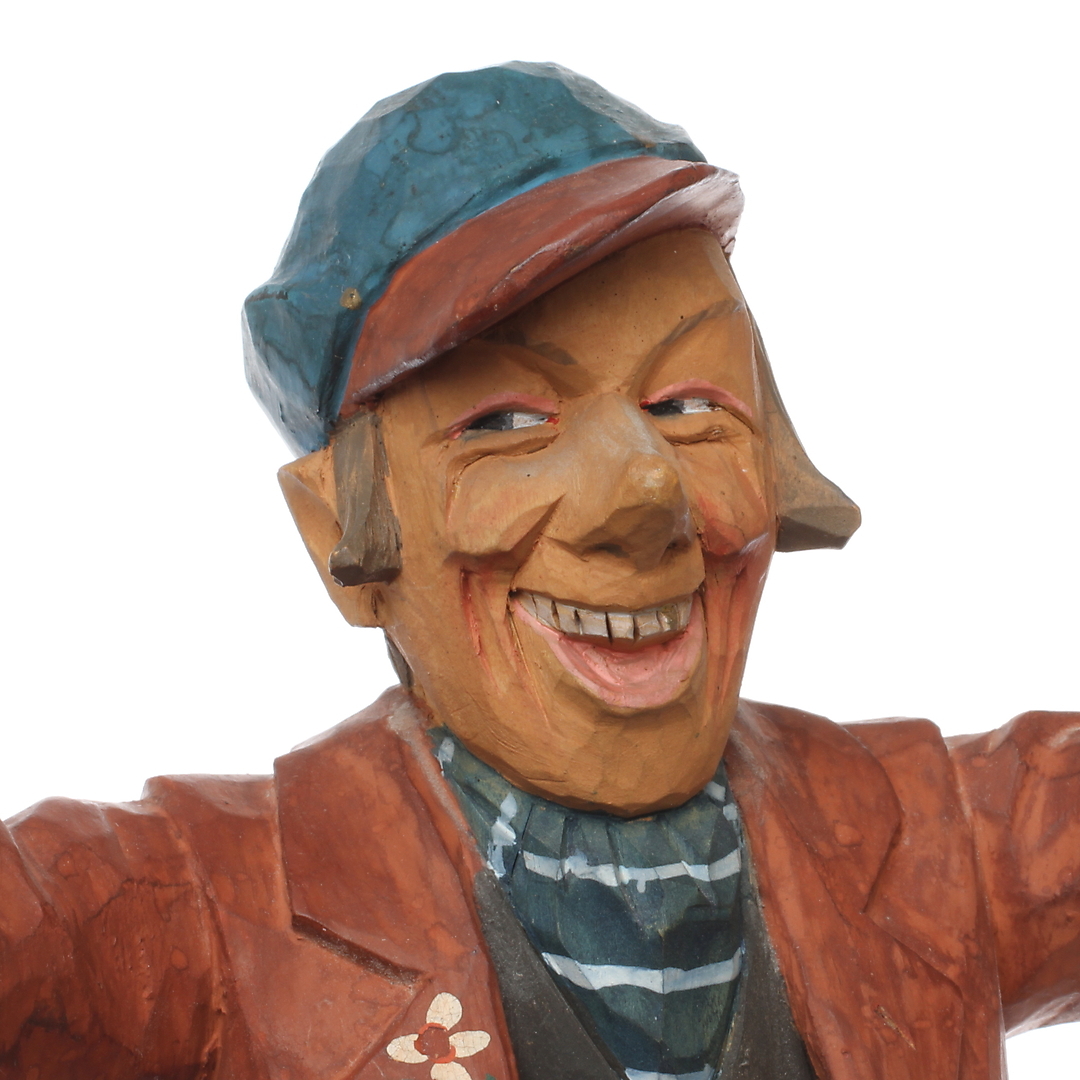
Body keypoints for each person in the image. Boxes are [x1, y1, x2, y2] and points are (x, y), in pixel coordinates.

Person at [1, 62, 1076, 1080]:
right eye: (507, 423)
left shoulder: (939, 840)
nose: (644, 492)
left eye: (688, 405)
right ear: (339, 533)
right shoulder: (199, 905)